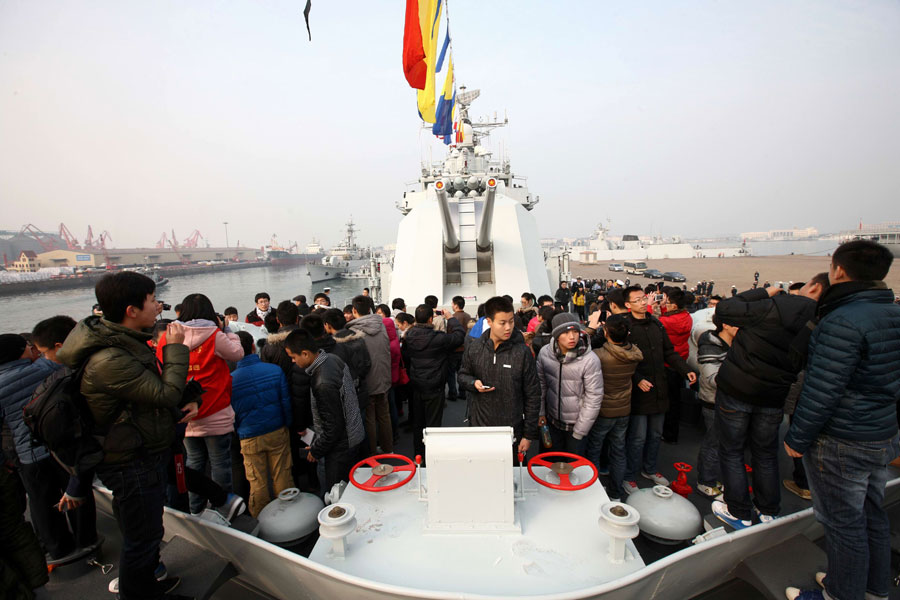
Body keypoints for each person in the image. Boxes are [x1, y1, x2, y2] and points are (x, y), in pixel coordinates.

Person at [57, 271, 189, 599]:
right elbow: (164, 395)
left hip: (140, 451)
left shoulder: (122, 345)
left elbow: (146, 399)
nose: (158, 306)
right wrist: (174, 350)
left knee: (144, 532)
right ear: (131, 310)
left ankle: (147, 585)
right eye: (152, 300)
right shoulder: (111, 359)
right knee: (141, 538)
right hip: (130, 461)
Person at [784, 241, 900, 600]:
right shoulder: (892, 313)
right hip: (880, 431)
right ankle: (875, 588)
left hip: (842, 438)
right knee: (871, 514)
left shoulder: (842, 320)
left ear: (838, 271)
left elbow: (822, 389)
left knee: (842, 525)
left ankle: (839, 593)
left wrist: (796, 438)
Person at [710, 274, 826, 529]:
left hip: (737, 389)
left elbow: (725, 308)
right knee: (765, 453)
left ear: (814, 287)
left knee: (732, 450)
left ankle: (738, 510)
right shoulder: (825, 319)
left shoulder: (776, 305)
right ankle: (768, 511)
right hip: (775, 395)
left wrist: (764, 292)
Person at [1, 331, 93, 565]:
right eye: (27, 346)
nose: (32, 349)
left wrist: (7, 460)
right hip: (60, 446)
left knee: (41, 502)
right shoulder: (43, 369)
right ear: (18, 351)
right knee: (75, 492)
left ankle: (58, 548)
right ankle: (86, 539)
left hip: (27, 454)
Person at [157, 293, 243, 515]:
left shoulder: (168, 336)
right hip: (215, 408)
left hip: (184, 413)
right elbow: (237, 354)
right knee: (220, 464)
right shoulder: (214, 334)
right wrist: (227, 331)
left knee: (193, 465)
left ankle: (196, 510)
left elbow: (160, 368)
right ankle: (223, 509)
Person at [622, 286, 696, 495]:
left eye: (643, 299)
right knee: (637, 437)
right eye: (636, 300)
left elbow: (669, 352)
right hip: (639, 391)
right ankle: (629, 475)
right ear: (627, 305)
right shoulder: (625, 326)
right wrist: (637, 379)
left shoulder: (656, 323)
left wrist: (685, 369)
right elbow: (621, 357)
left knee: (655, 434)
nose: (642, 302)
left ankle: (650, 469)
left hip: (659, 387)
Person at [458, 296, 541, 455]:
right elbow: (462, 375)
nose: (508, 327)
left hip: (512, 432)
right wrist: (473, 383)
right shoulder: (474, 348)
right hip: (479, 427)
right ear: (489, 321)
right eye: (502, 323)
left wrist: (528, 435)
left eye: (511, 321)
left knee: (511, 477)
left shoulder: (522, 352)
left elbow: (533, 395)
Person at [284, 330, 364, 492]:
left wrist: (317, 449)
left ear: (305, 354)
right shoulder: (332, 359)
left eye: (293, 357)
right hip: (354, 435)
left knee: (336, 494)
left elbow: (334, 426)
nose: (293, 362)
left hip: (341, 446)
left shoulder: (323, 382)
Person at [230, 332, 293, 517]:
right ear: (252, 347)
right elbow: (286, 402)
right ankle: (289, 514)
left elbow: (232, 414)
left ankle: (261, 520)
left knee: (257, 481)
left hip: (248, 435)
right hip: (277, 429)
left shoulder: (231, 379)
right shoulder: (274, 370)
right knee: (282, 474)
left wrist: (239, 431)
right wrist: (286, 424)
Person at [587, 314, 642, 500]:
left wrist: (593, 331)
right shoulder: (634, 353)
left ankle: (595, 491)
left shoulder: (600, 356)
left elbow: (583, 351)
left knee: (595, 449)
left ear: (606, 333)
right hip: (624, 408)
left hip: (603, 409)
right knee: (618, 451)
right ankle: (616, 492)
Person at [401, 305, 465, 460]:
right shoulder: (438, 338)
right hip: (435, 386)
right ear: (431, 319)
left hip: (417, 384)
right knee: (433, 424)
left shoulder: (408, 336)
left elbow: (407, 356)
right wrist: (450, 318)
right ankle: (432, 456)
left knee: (418, 423)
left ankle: (418, 454)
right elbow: (459, 335)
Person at [536, 313, 603, 454]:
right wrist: (541, 413)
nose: (572, 337)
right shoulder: (545, 353)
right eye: (565, 333)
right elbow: (540, 386)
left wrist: (580, 430)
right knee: (550, 463)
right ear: (556, 335)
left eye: (575, 332)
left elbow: (594, 397)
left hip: (576, 425)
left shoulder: (589, 359)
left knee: (574, 467)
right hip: (551, 421)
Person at [694, 314, 736, 498]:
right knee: (714, 442)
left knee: (728, 443)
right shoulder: (709, 345)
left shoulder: (739, 343)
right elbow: (712, 379)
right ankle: (706, 480)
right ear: (725, 325)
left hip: (734, 400)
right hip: (714, 400)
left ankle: (717, 478)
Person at [346, 296, 393, 455]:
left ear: (354, 311)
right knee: (384, 415)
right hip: (384, 378)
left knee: (370, 419)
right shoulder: (382, 326)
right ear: (370, 309)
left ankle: (372, 453)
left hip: (368, 381)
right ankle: (389, 449)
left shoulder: (353, 331)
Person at [658, 288, 693, 444]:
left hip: (667, 363)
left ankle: (667, 432)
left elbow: (655, 321)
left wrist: (652, 306)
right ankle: (672, 433)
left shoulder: (667, 322)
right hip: (680, 361)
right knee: (675, 399)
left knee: (667, 401)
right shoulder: (686, 317)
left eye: (668, 302)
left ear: (673, 305)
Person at [259, 300, 300, 376]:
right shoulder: (307, 338)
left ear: (277, 320)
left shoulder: (269, 346)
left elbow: (265, 372)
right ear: (297, 319)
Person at [447, 296, 471, 402]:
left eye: (452, 304)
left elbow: (449, 334)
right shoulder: (468, 316)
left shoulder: (452, 318)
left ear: (456, 305)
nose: (452, 305)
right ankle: (462, 392)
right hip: (465, 349)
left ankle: (452, 393)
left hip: (453, 350)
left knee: (451, 373)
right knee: (462, 372)